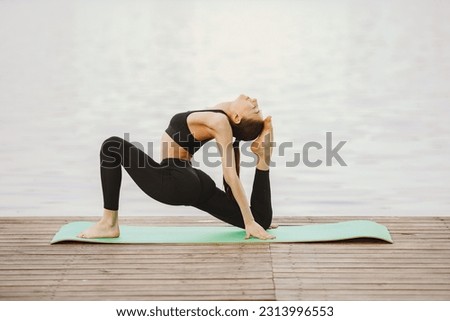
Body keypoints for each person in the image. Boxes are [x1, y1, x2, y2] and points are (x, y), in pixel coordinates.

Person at [77, 94, 276, 240]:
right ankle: (263, 160)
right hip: (194, 182)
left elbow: (230, 175)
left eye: (254, 109)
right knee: (262, 220)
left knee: (112, 146)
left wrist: (248, 222)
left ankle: (109, 223)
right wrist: (251, 220)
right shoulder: (221, 115)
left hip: (175, 180)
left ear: (237, 118)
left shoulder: (219, 121)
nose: (255, 101)